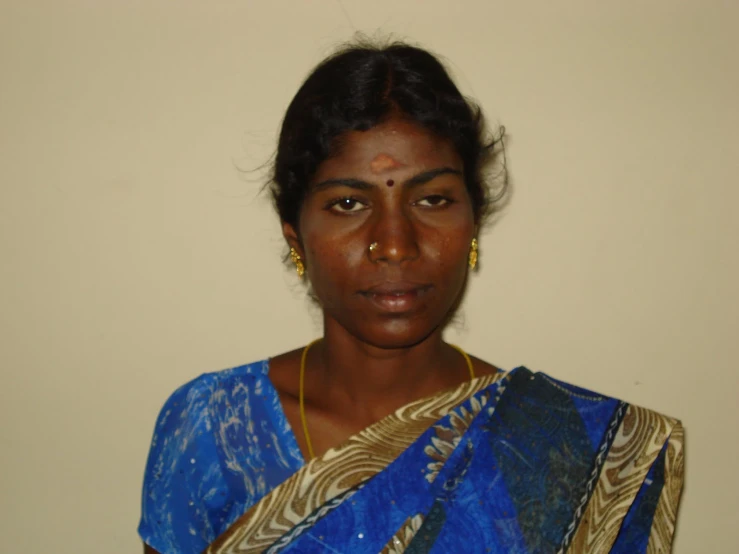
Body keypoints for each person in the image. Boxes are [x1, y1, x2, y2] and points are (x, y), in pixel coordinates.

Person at [139, 40, 684, 554]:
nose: (395, 246)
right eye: (349, 203)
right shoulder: (214, 429)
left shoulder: (558, 444)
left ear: (473, 224)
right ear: (294, 237)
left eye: (433, 199)